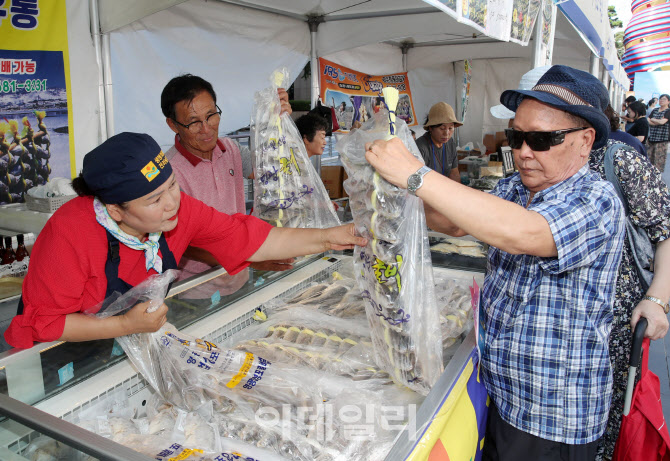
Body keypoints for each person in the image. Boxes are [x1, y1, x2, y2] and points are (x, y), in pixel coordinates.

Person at [364, 65, 626, 460]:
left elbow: (525, 234)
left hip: (550, 416)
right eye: (517, 137)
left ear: (586, 140)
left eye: (541, 139)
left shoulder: (596, 200)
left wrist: (415, 175)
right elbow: (451, 220)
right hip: (501, 396)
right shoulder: (516, 187)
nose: (523, 151)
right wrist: (385, 194)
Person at [4, 132, 365, 348]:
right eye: (154, 200)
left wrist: (334, 237)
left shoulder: (179, 210)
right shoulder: (70, 233)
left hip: (128, 338)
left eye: (172, 186)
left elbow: (252, 240)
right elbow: (45, 323)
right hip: (59, 356)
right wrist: (125, 325)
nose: (172, 202)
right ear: (116, 211)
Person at [161, 74, 294, 297]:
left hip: (238, 279)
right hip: (196, 292)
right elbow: (184, 244)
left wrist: (276, 124)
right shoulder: (169, 173)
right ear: (173, 124)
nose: (206, 128)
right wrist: (251, 257)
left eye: (211, 115)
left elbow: (268, 169)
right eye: (194, 122)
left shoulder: (229, 149)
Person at [590, 100, 670, 461]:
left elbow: (665, 229)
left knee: (611, 418)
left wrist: (657, 299)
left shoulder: (619, 160)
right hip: (562, 332)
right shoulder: (536, 165)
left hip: (618, 321)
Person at [415, 102, 462, 182]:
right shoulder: (420, 147)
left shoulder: (450, 143)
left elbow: (454, 174)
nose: (446, 133)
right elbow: (418, 180)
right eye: (442, 129)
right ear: (430, 128)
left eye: (450, 128)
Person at [647, 93, 670, 172]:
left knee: (659, 161)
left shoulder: (668, 111)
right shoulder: (655, 110)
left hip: (662, 139)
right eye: (660, 99)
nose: (661, 101)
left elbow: (662, 122)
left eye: (664, 99)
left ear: (668, 101)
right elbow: (648, 120)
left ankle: (657, 179)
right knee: (649, 159)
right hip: (651, 138)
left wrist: (653, 120)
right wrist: (657, 121)